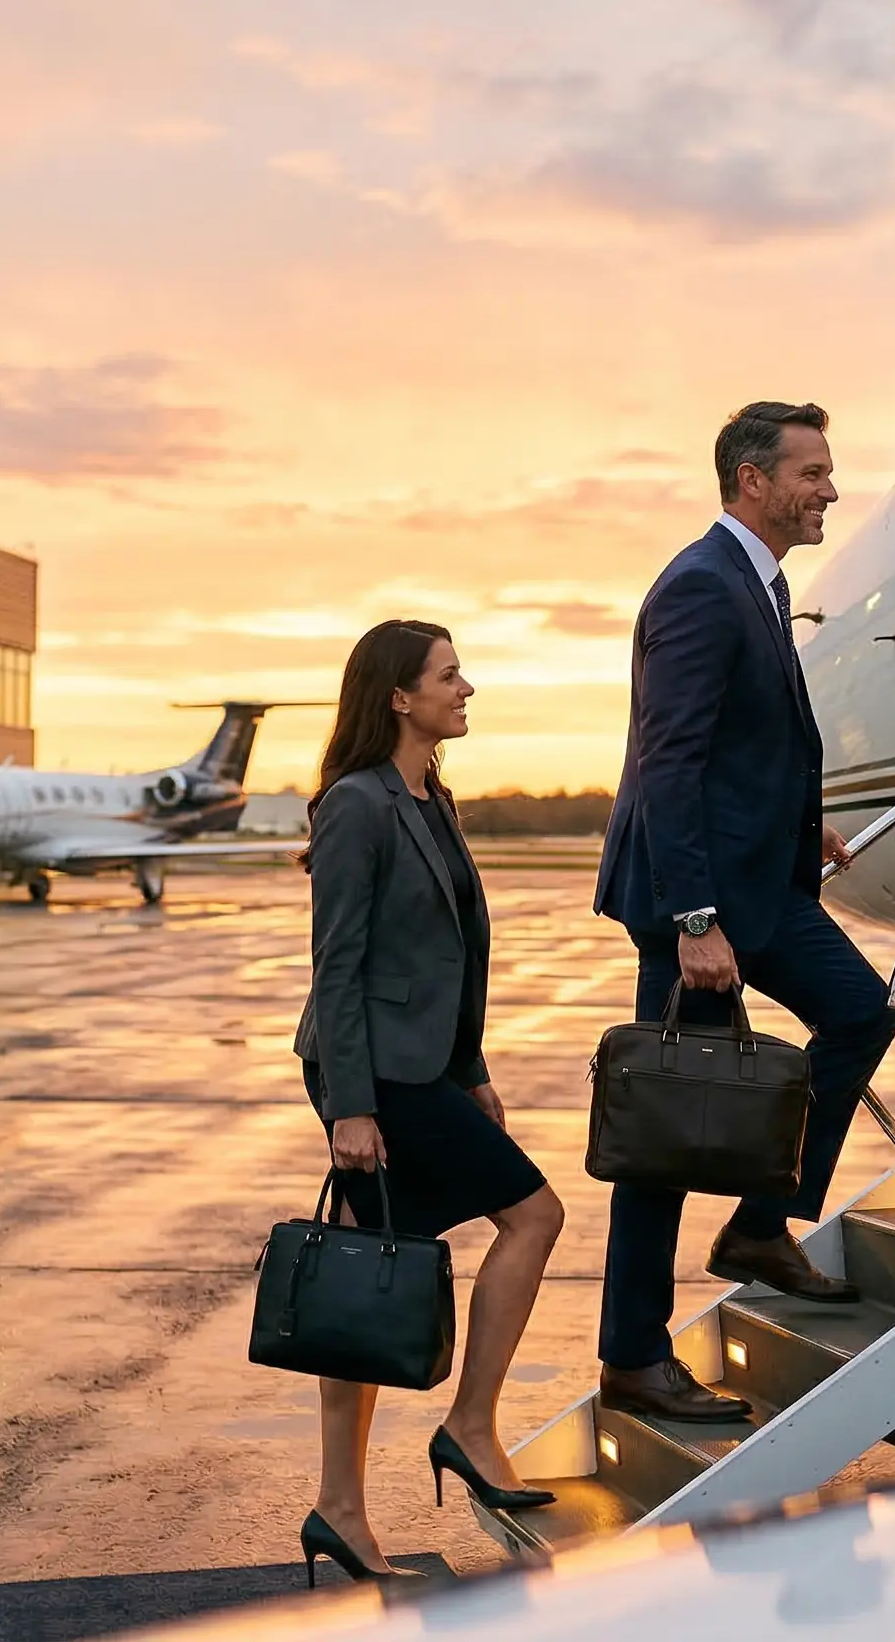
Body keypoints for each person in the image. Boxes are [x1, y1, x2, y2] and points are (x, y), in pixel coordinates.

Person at [592, 401, 895, 1423]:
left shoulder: (753, 584)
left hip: (755, 880)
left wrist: (792, 826)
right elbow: (669, 759)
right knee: (663, 1122)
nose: (828, 490)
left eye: (827, 471)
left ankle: (762, 1223)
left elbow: (735, 748)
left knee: (859, 1013)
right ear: (750, 479)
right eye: (810, 473)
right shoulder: (699, 584)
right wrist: (691, 919)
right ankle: (632, 1355)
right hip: (701, 902)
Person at [290, 619, 566, 1582]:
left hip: (426, 1068)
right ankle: (471, 1426)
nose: (467, 689)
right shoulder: (358, 805)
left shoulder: (430, 798)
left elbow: (457, 951)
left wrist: (474, 1068)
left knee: (370, 1286)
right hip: (374, 1075)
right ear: (399, 697)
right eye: (450, 676)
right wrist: (352, 1110)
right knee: (534, 1212)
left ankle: (339, 1508)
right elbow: (340, 969)